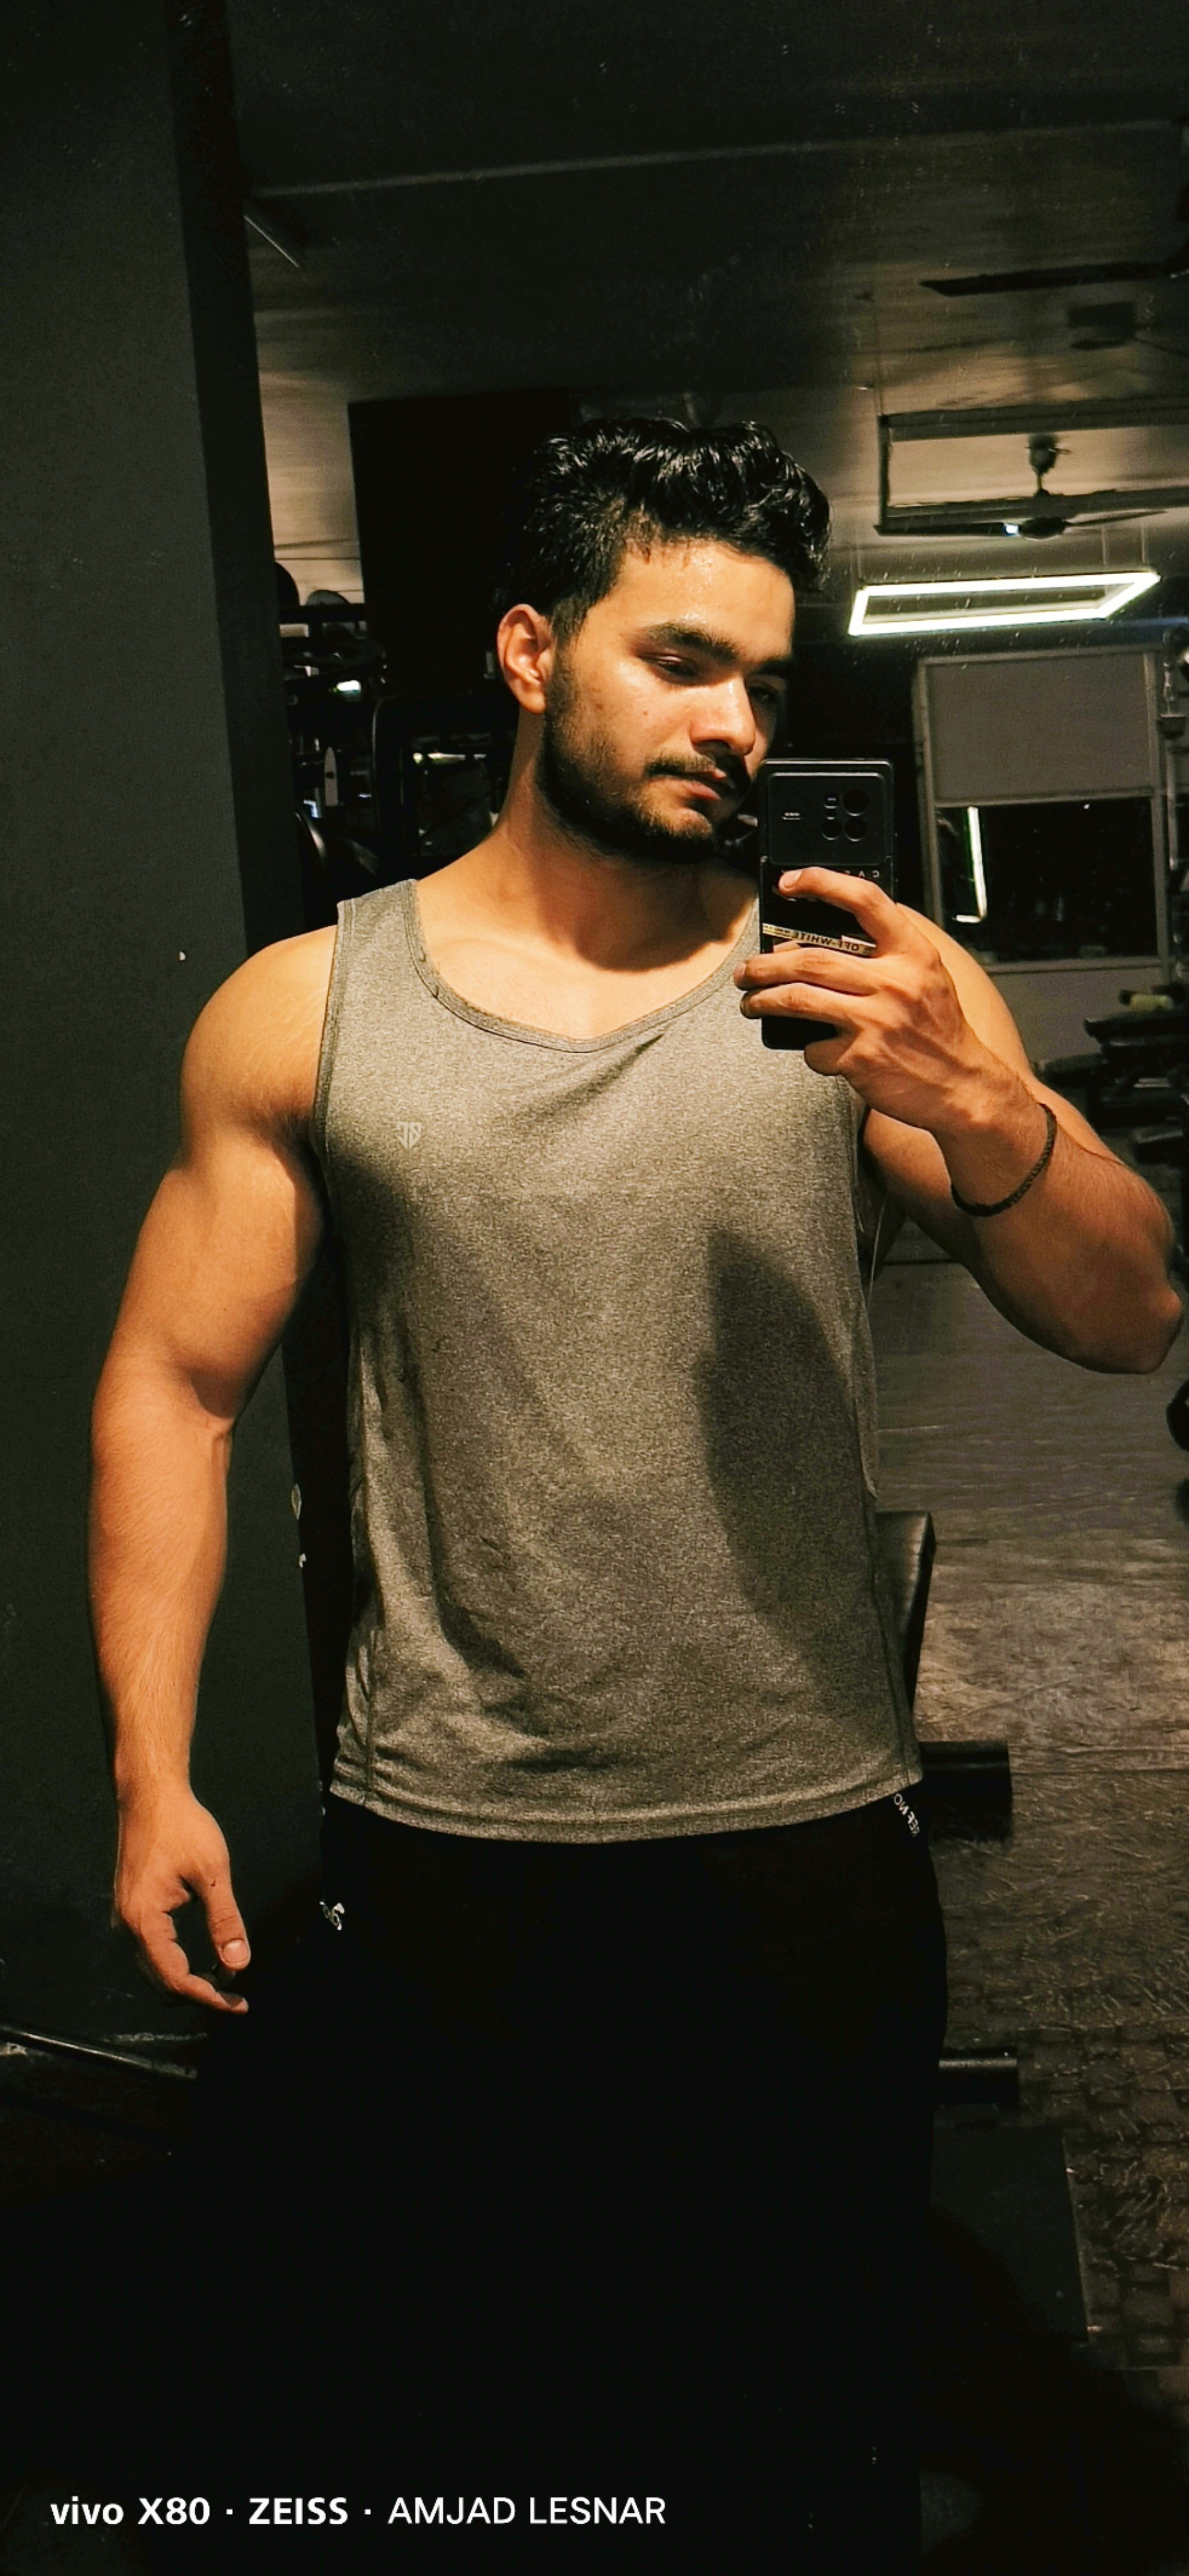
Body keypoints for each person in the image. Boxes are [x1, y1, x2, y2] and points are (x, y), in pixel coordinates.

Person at [87, 420, 1179, 2566]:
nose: (736, 722)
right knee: (497, 2444)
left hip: (801, 1858)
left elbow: (1131, 1315)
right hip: (451, 1858)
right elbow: (175, 1387)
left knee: (797, 2462)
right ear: (529, 652)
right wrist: (150, 1771)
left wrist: (986, 1106)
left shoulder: (849, 993)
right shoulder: (309, 1011)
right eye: (682, 661)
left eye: (764, 678)